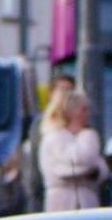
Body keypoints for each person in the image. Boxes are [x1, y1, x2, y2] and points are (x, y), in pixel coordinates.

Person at [38, 80, 108, 211]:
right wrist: (87, 170)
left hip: (87, 201)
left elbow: (101, 167)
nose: (87, 114)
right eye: (83, 109)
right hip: (62, 202)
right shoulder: (54, 137)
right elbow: (70, 165)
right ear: (72, 111)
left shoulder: (84, 135)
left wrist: (95, 171)